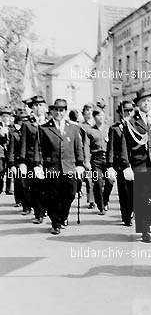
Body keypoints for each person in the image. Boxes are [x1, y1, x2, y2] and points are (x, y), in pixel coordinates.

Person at [121, 90, 151, 243]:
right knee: (142, 198)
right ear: (137, 104)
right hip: (139, 164)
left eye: (149, 101)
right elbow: (124, 146)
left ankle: (148, 218)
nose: (146, 104)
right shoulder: (130, 122)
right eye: (143, 101)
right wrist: (126, 165)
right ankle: (145, 228)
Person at [34, 99, 85, 235]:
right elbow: (39, 148)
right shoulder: (44, 128)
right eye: (56, 110)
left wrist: (80, 164)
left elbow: (78, 147)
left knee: (71, 193)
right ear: (51, 111)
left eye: (61, 110)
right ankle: (55, 223)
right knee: (53, 196)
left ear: (65, 111)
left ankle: (63, 216)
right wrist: (38, 165)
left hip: (69, 167)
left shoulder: (73, 128)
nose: (58, 112)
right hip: (52, 168)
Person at [19, 96, 48, 223]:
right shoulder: (27, 124)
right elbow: (23, 144)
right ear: (32, 108)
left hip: (47, 161)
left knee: (47, 188)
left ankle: (46, 209)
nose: (38, 108)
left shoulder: (50, 123)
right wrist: (22, 162)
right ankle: (39, 214)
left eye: (41, 105)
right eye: (35, 105)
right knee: (35, 188)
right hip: (31, 160)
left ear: (45, 108)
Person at [106, 101, 134, 226]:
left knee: (134, 191)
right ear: (120, 113)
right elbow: (110, 148)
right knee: (124, 191)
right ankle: (126, 217)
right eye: (125, 111)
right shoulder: (115, 128)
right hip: (121, 164)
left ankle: (132, 210)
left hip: (135, 163)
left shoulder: (137, 126)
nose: (128, 113)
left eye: (130, 110)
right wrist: (110, 165)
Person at [83, 108, 111, 215]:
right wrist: (87, 161)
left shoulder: (109, 129)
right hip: (96, 160)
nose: (101, 117)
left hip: (108, 160)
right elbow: (86, 146)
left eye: (102, 115)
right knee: (98, 183)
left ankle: (106, 200)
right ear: (94, 118)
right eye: (98, 116)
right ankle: (101, 206)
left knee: (110, 181)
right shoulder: (90, 131)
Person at [7, 113, 28, 208]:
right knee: (19, 183)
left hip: (29, 162)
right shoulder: (14, 134)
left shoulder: (29, 133)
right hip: (17, 162)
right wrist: (11, 164)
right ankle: (20, 200)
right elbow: (11, 150)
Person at [79, 103, 95, 209]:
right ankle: (91, 200)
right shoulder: (81, 126)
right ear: (83, 113)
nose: (89, 112)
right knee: (89, 178)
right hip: (86, 154)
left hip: (97, 154)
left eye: (91, 110)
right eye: (87, 110)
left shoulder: (97, 125)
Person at [0, 106, 12, 194]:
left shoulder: (12, 127)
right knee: (1, 170)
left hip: (10, 151)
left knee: (9, 170)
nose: (5, 118)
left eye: (7, 116)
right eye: (3, 116)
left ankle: (8, 189)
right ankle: (0, 187)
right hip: (1, 151)